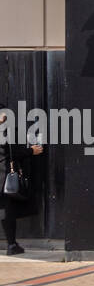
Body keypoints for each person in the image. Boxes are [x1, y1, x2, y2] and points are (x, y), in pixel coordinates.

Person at [0, 105, 44, 255]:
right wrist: (32, 150)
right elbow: (13, 153)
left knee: (6, 211)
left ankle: (12, 244)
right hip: (3, 176)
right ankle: (12, 245)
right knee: (8, 211)